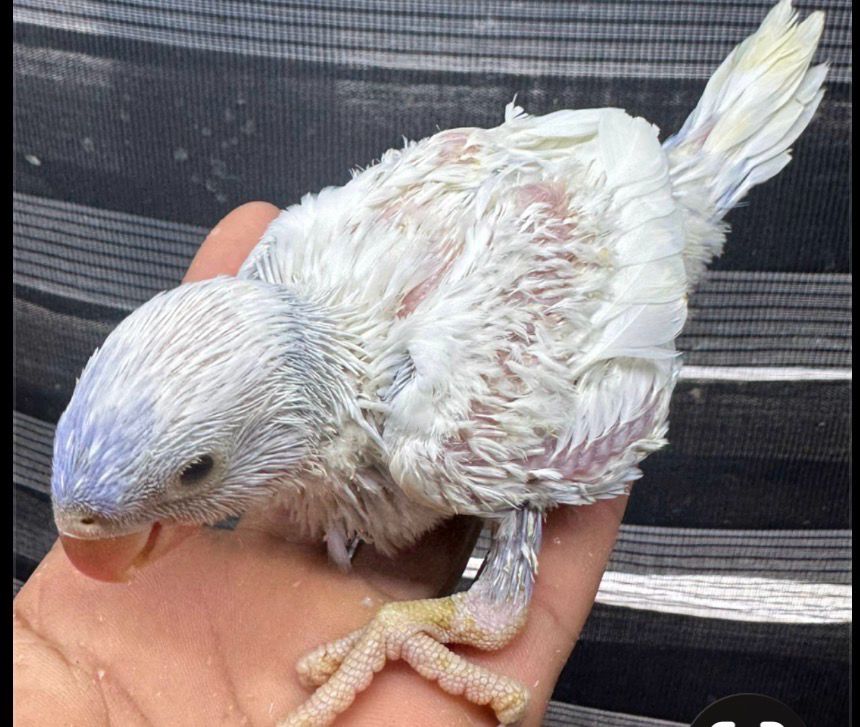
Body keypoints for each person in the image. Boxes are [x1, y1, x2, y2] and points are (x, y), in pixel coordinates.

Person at [13, 202, 628, 726]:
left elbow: (585, 420)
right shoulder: (273, 266)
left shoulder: (434, 420)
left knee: (499, 466)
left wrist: (407, 626)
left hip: (590, 227)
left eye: (197, 469)